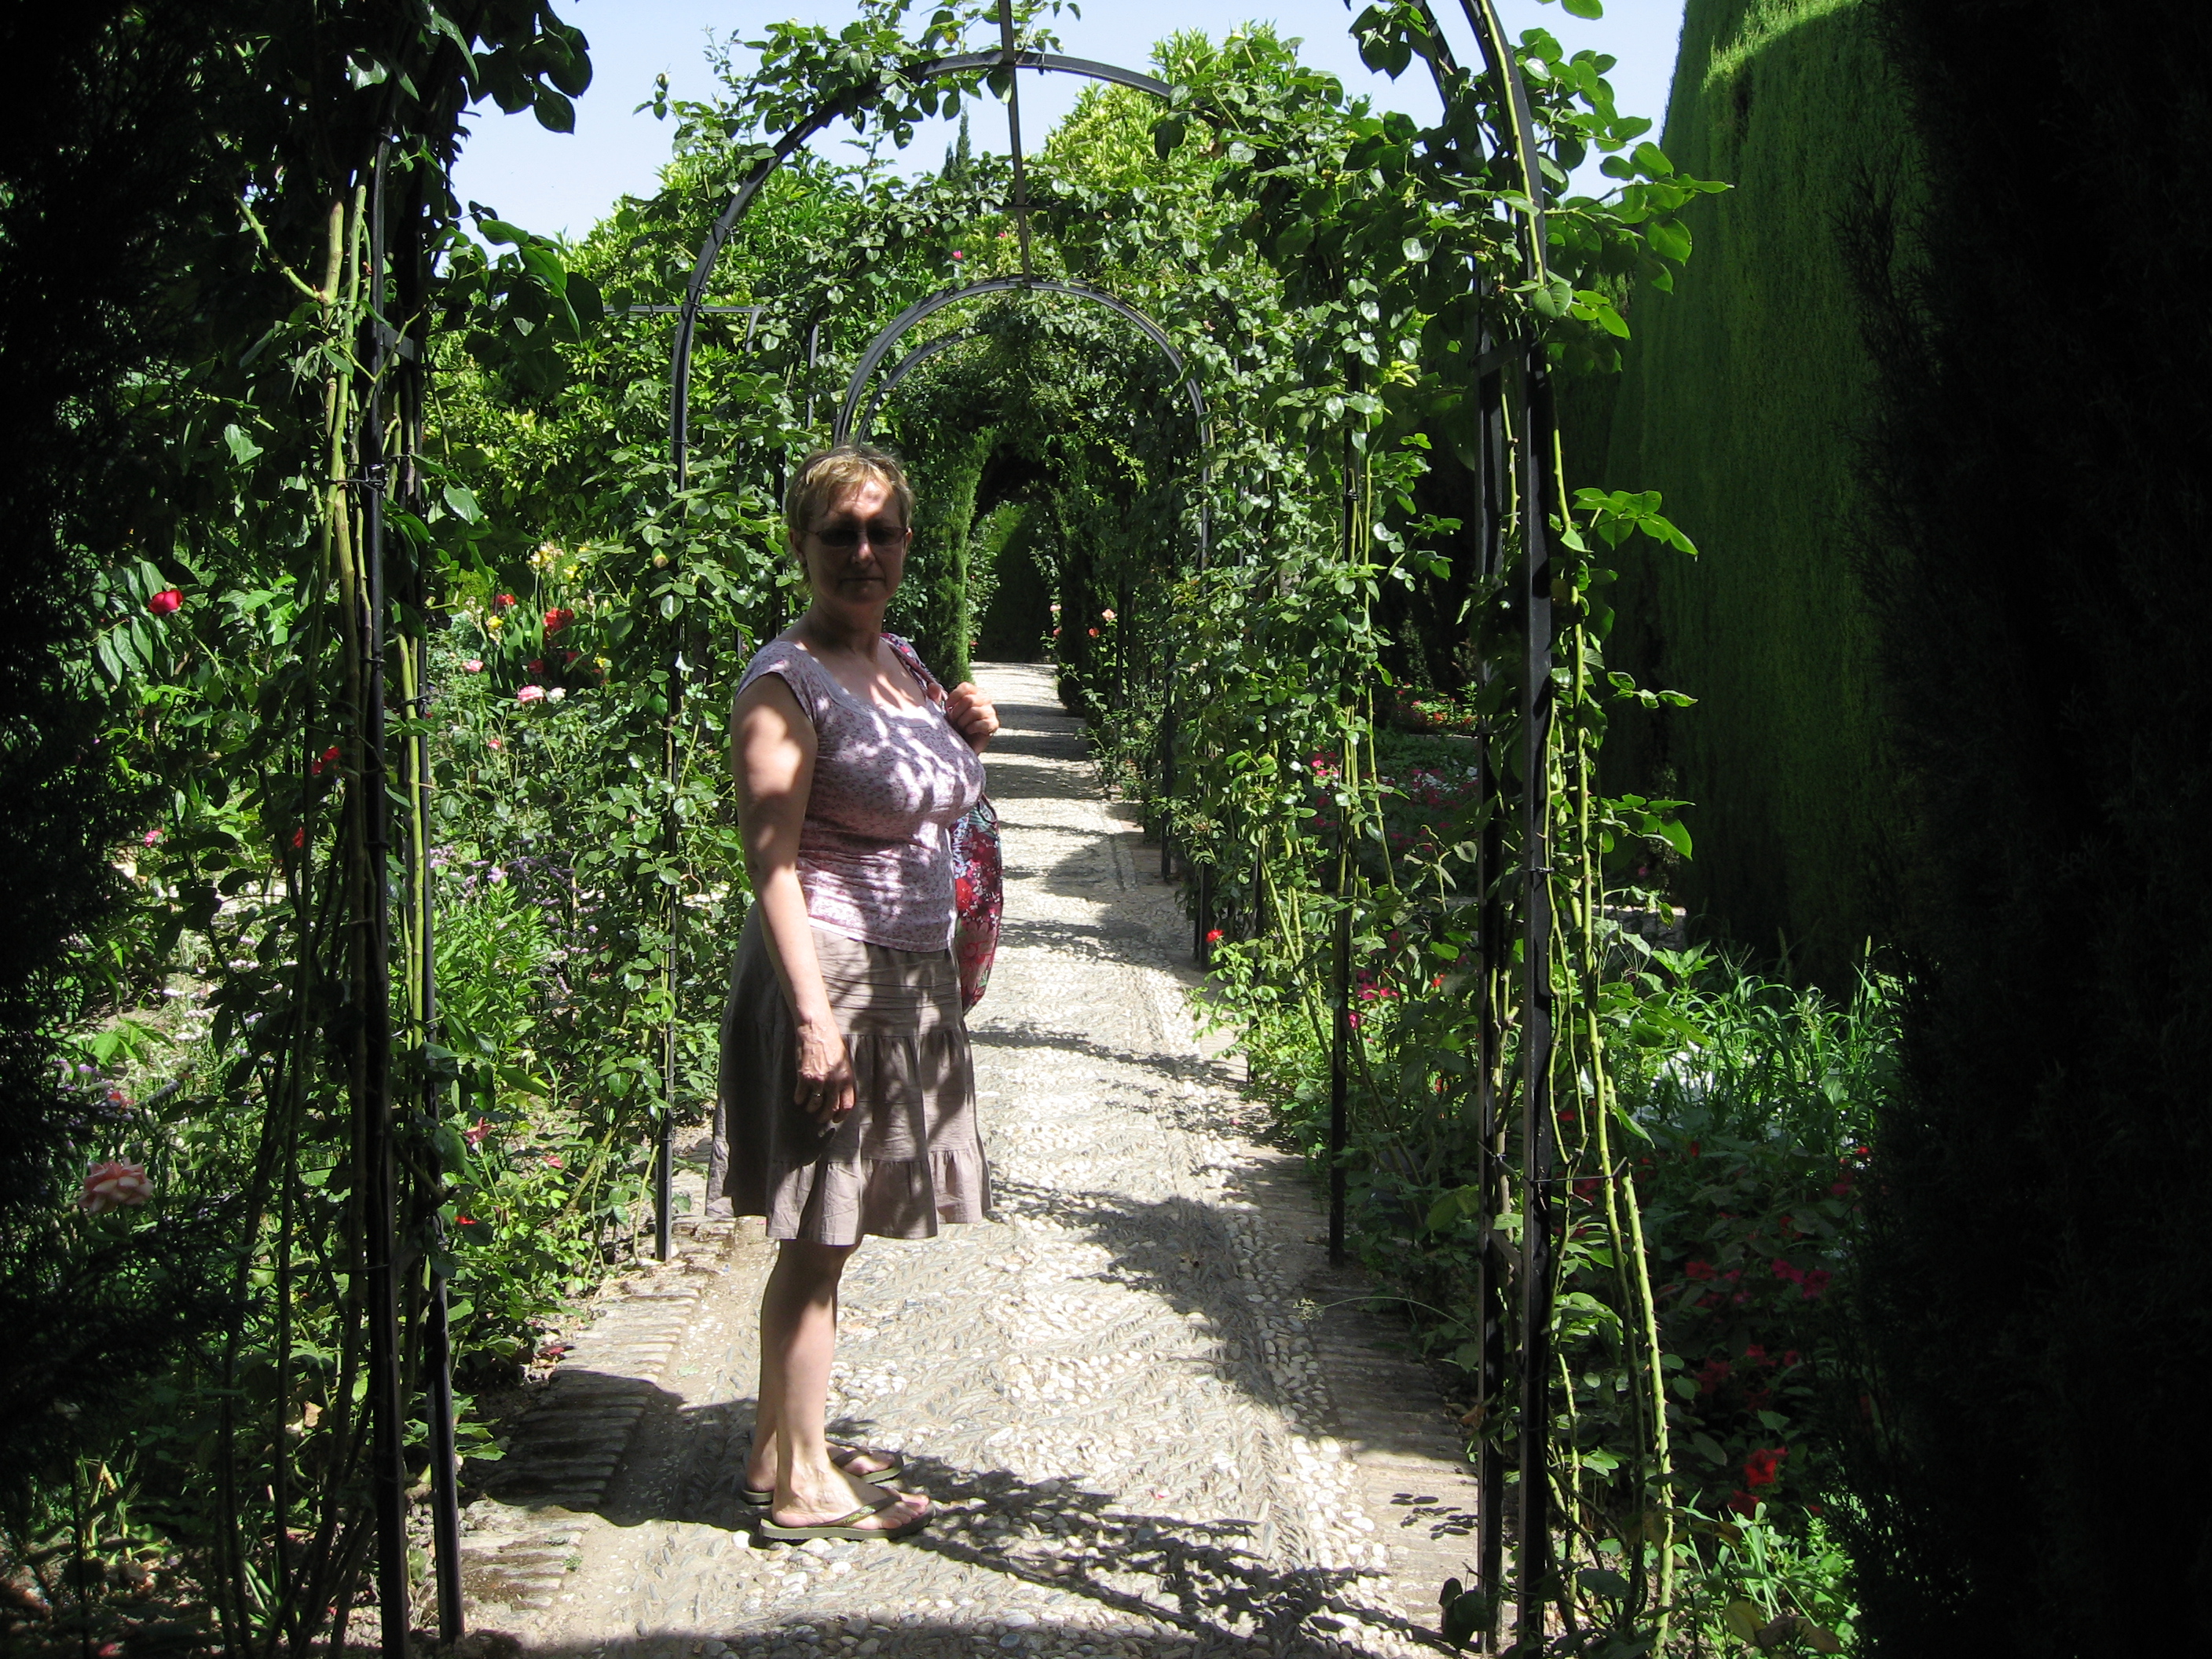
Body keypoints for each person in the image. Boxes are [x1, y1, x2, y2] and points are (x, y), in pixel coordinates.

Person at [711, 443, 998, 1542]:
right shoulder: (784, 685)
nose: (863, 552)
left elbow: (921, 792)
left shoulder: (902, 664)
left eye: (882, 532)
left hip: (903, 977)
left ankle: (775, 1443)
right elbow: (772, 865)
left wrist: (962, 733)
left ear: (908, 543)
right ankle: (801, 1485)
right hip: (829, 974)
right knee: (819, 1234)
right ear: (802, 543)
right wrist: (815, 1025)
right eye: (840, 533)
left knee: (837, 1230)